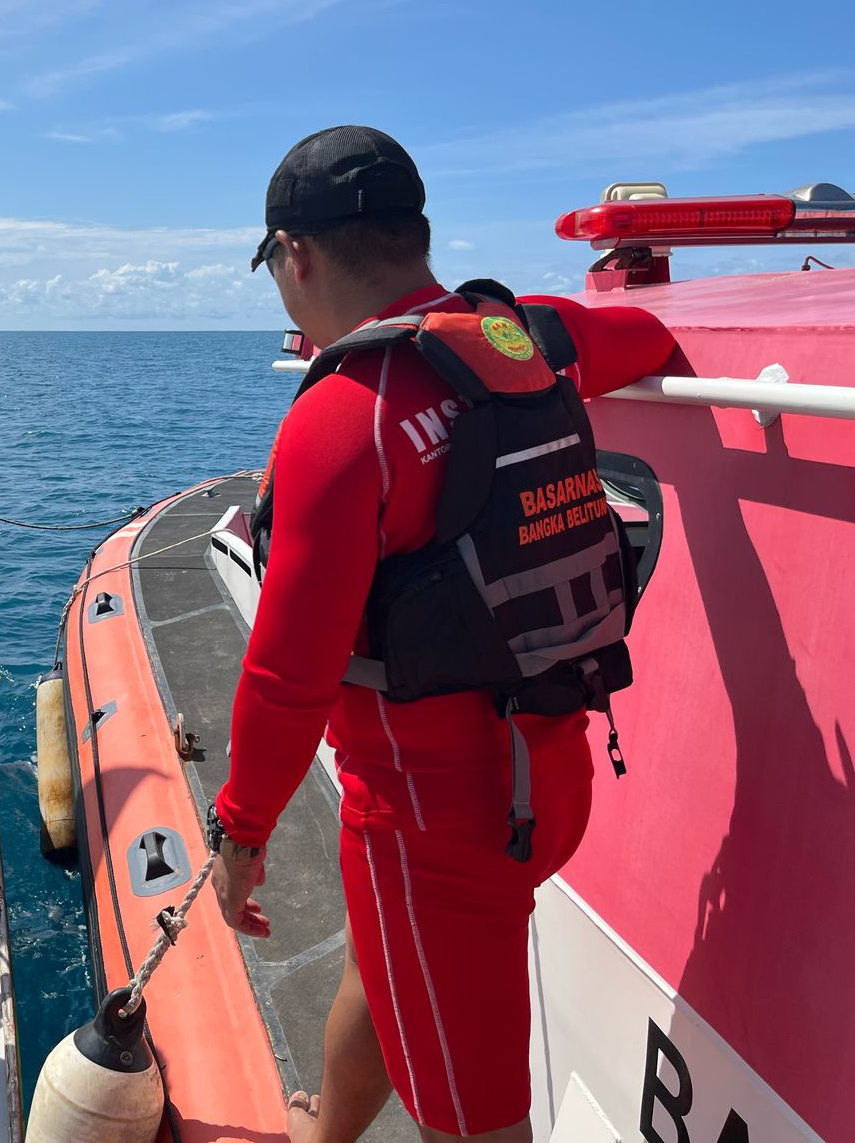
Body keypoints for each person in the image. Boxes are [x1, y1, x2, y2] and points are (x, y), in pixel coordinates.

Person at [205, 127, 675, 1143]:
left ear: (296, 255)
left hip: (430, 833)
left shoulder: (343, 417)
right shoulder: (520, 339)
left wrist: (238, 833)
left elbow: (287, 675)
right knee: (385, 979)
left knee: (474, 1125)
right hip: (547, 775)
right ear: (414, 235)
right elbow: (643, 340)